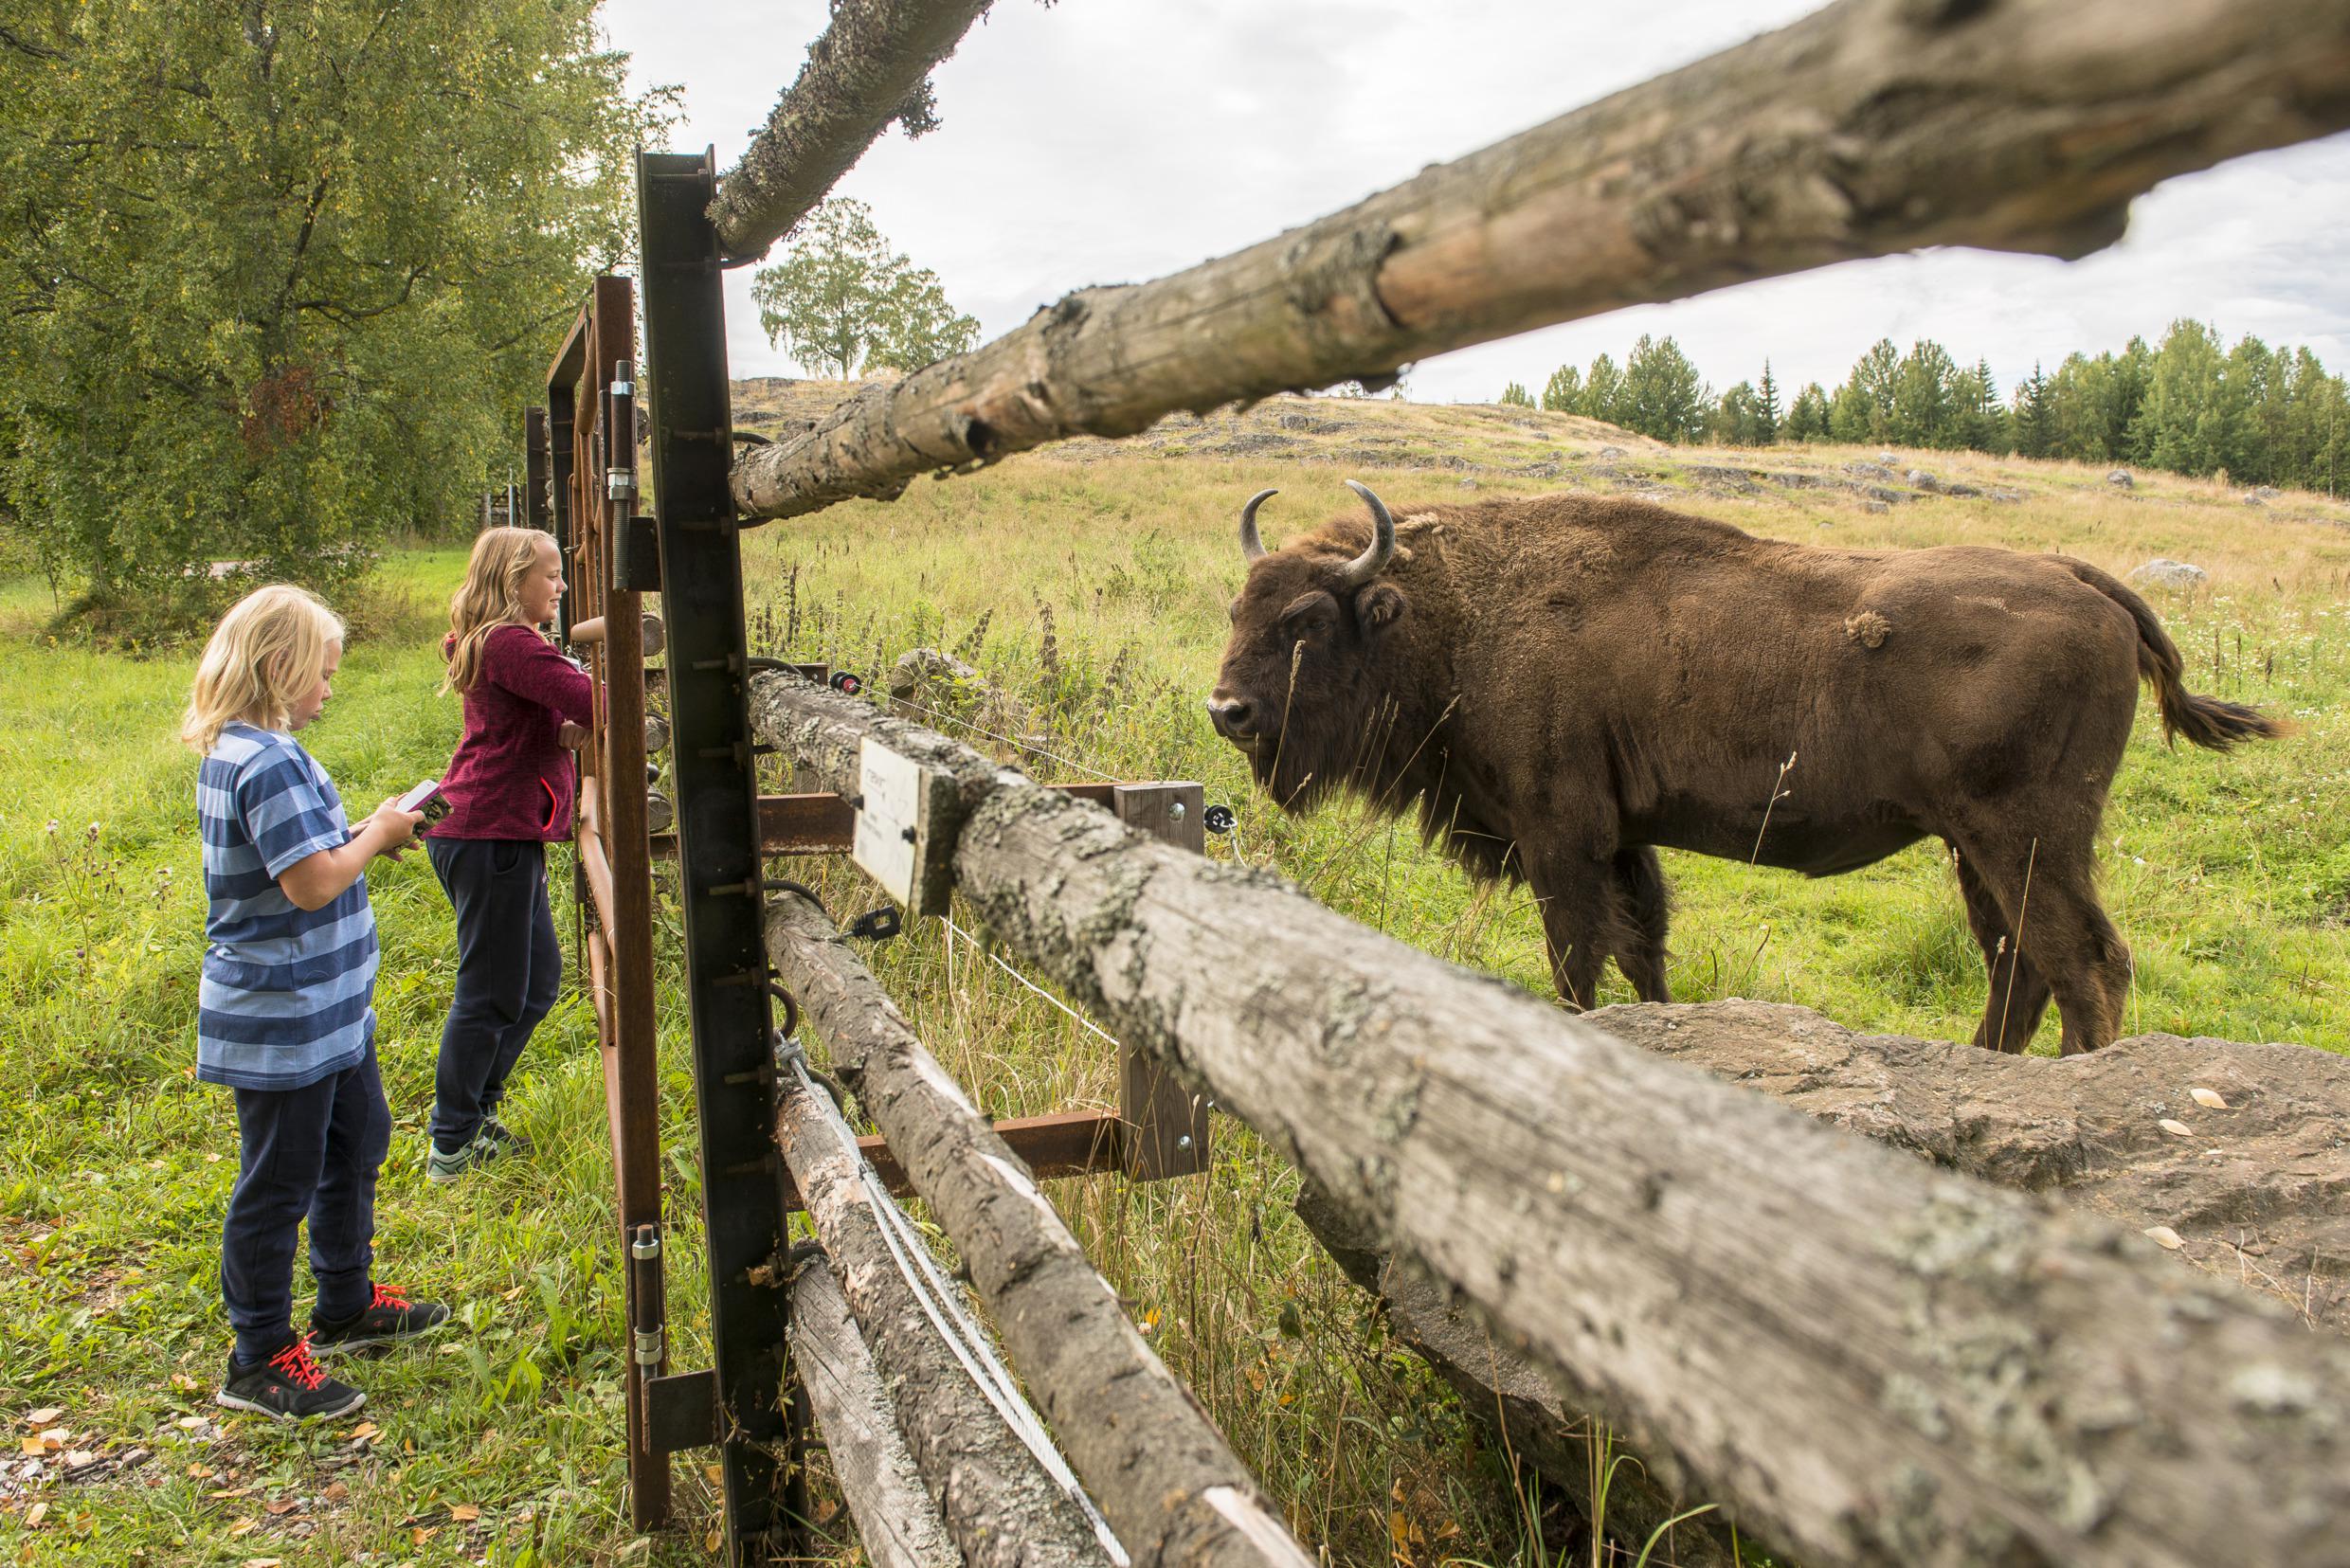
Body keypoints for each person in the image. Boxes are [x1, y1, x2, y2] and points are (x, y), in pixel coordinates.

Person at [185, 584, 452, 1422]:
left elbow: (308, 860)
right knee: (279, 1181)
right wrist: (378, 833)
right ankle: (258, 1353)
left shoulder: (259, 749)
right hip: (282, 1021)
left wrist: (366, 835)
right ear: (278, 666)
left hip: (327, 1013)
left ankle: (344, 1302)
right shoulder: (262, 762)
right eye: (323, 675)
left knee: (357, 1139)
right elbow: (309, 883)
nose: (329, 690)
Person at [425, 527, 593, 1183]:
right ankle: (452, 1142)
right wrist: (589, 700)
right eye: (550, 575)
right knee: (490, 994)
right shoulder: (510, 639)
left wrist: (558, 728)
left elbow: (522, 716)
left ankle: (475, 1114)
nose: (560, 586)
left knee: (537, 981)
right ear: (513, 577)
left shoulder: (495, 642)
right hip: (488, 833)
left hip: (495, 832)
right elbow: (593, 696)